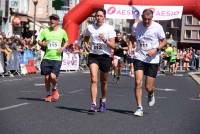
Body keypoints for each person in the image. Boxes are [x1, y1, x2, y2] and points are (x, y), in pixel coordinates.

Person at [131, 9, 166, 117]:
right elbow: (132, 37)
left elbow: (164, 41)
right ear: (141, 17)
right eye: (144, 19)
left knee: (148, 87)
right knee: (138, 82)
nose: (146, 21)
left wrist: (156, 49)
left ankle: (151, 93)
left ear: (152, 18)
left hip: (153, 59)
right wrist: (129, 46)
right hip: (139, 57)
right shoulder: (136, 26)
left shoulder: (158, 27)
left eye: (148, 19)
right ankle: (139, 108)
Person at [83, 8, 116, 112]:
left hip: (105, 56)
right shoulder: (90, 27)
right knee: (93, 79)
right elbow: (86, 37)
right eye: (97, 16)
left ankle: (103, 100)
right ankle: (93, 103)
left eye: (101, 16)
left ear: (104, 17)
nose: (98, 18)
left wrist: (105, 40)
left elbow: (113, 46)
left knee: (104, 81)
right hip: (93, 55)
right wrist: (86, 44)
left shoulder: (109, 28)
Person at [37, 14, 68, 102]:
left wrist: (62, 48)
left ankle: (54, 89)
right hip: (47, 57)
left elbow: (67, 41)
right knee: (47, 78)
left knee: (53, 76)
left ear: (58, 21)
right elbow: (39, 40)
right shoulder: (45, 31)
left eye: (54, 19)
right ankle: (48, 95)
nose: (52, 21)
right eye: (51, 19)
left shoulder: (62, 32)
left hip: (57, 58)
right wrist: (41, 43)